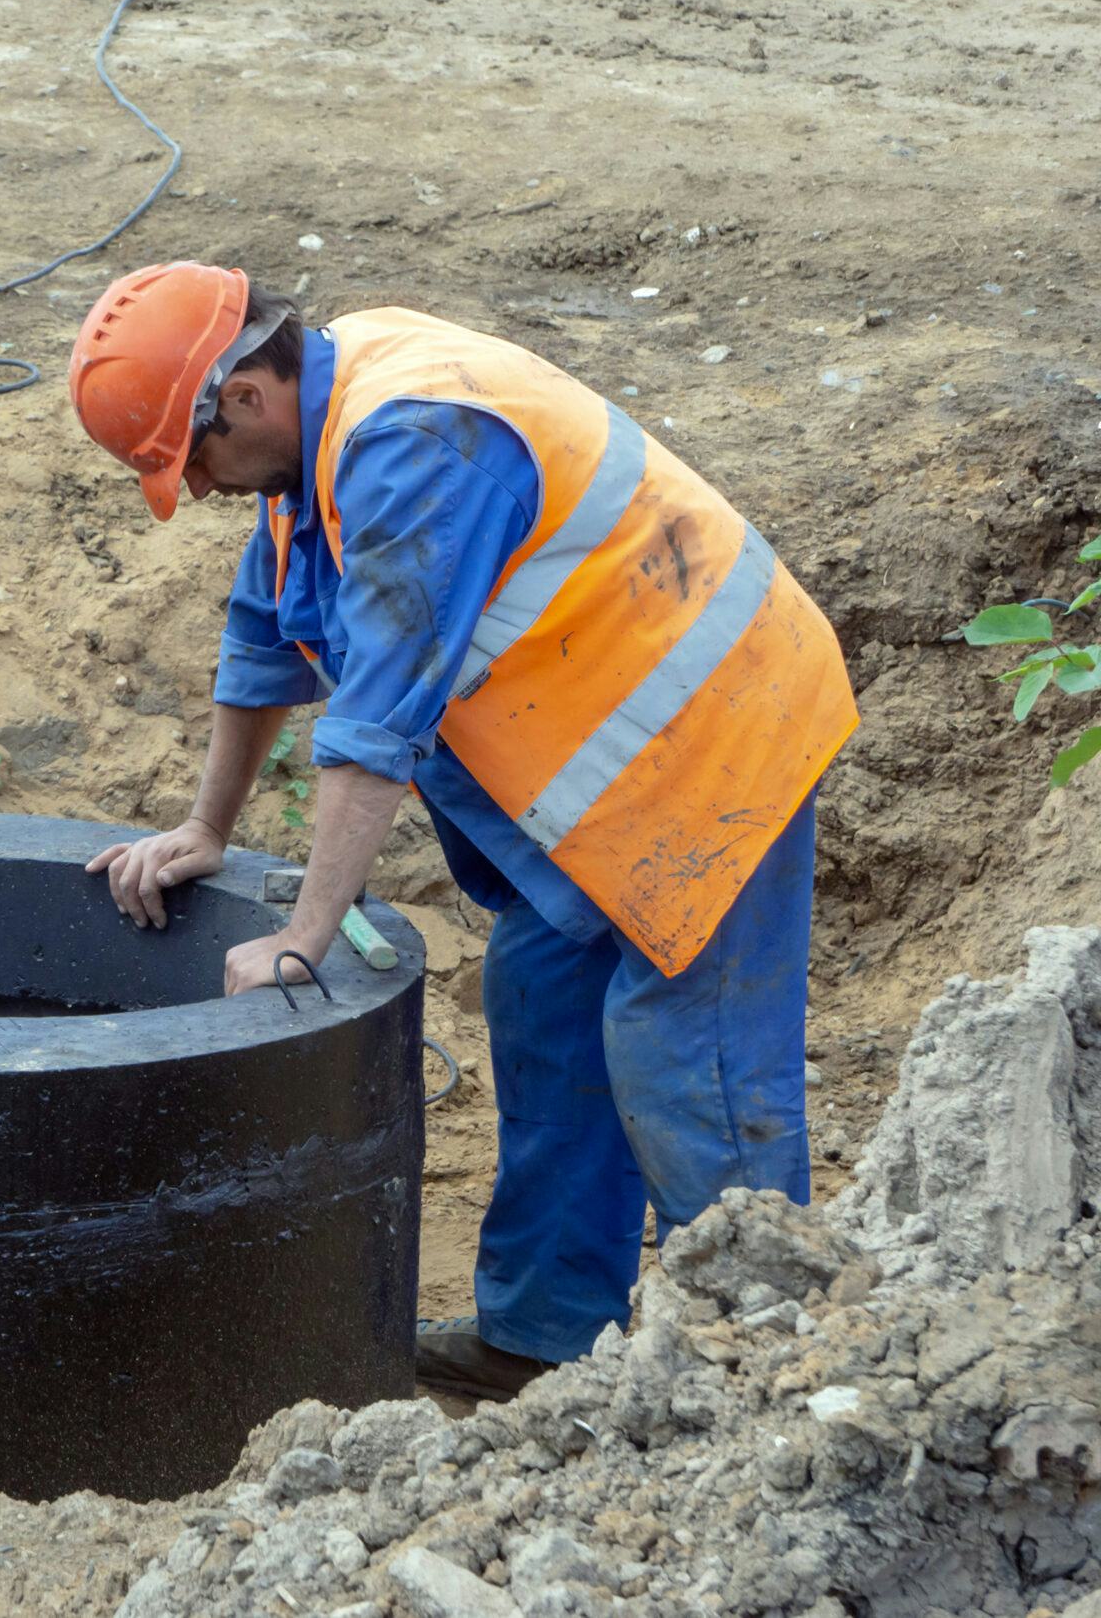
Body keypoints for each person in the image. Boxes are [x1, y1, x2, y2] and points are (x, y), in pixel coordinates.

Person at [69, 262, 857, 1401]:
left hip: (713, 745)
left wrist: (304, 933)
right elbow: (260, 632)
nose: (194, 489)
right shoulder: (317, 428)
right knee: (544, 1016)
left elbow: (378, 719)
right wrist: (204, 826)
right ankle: (546, 1337)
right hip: (597, 778)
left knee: (687, 1063)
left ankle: (769, 1376)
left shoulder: (415, 443)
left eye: (189, 461)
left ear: (242, 396)